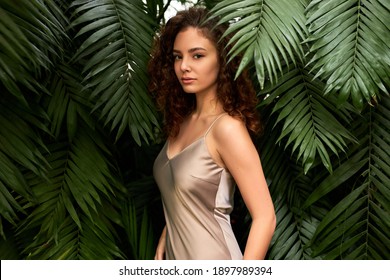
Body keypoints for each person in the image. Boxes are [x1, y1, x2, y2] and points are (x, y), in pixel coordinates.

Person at [148, 6, 276, 260]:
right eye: (177, 56)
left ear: (223, 59)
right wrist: (169, 231)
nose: (184, 66)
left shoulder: (227, 128)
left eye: (197, 56)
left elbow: (265, 217)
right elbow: (188, 196)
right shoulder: (182, 122)